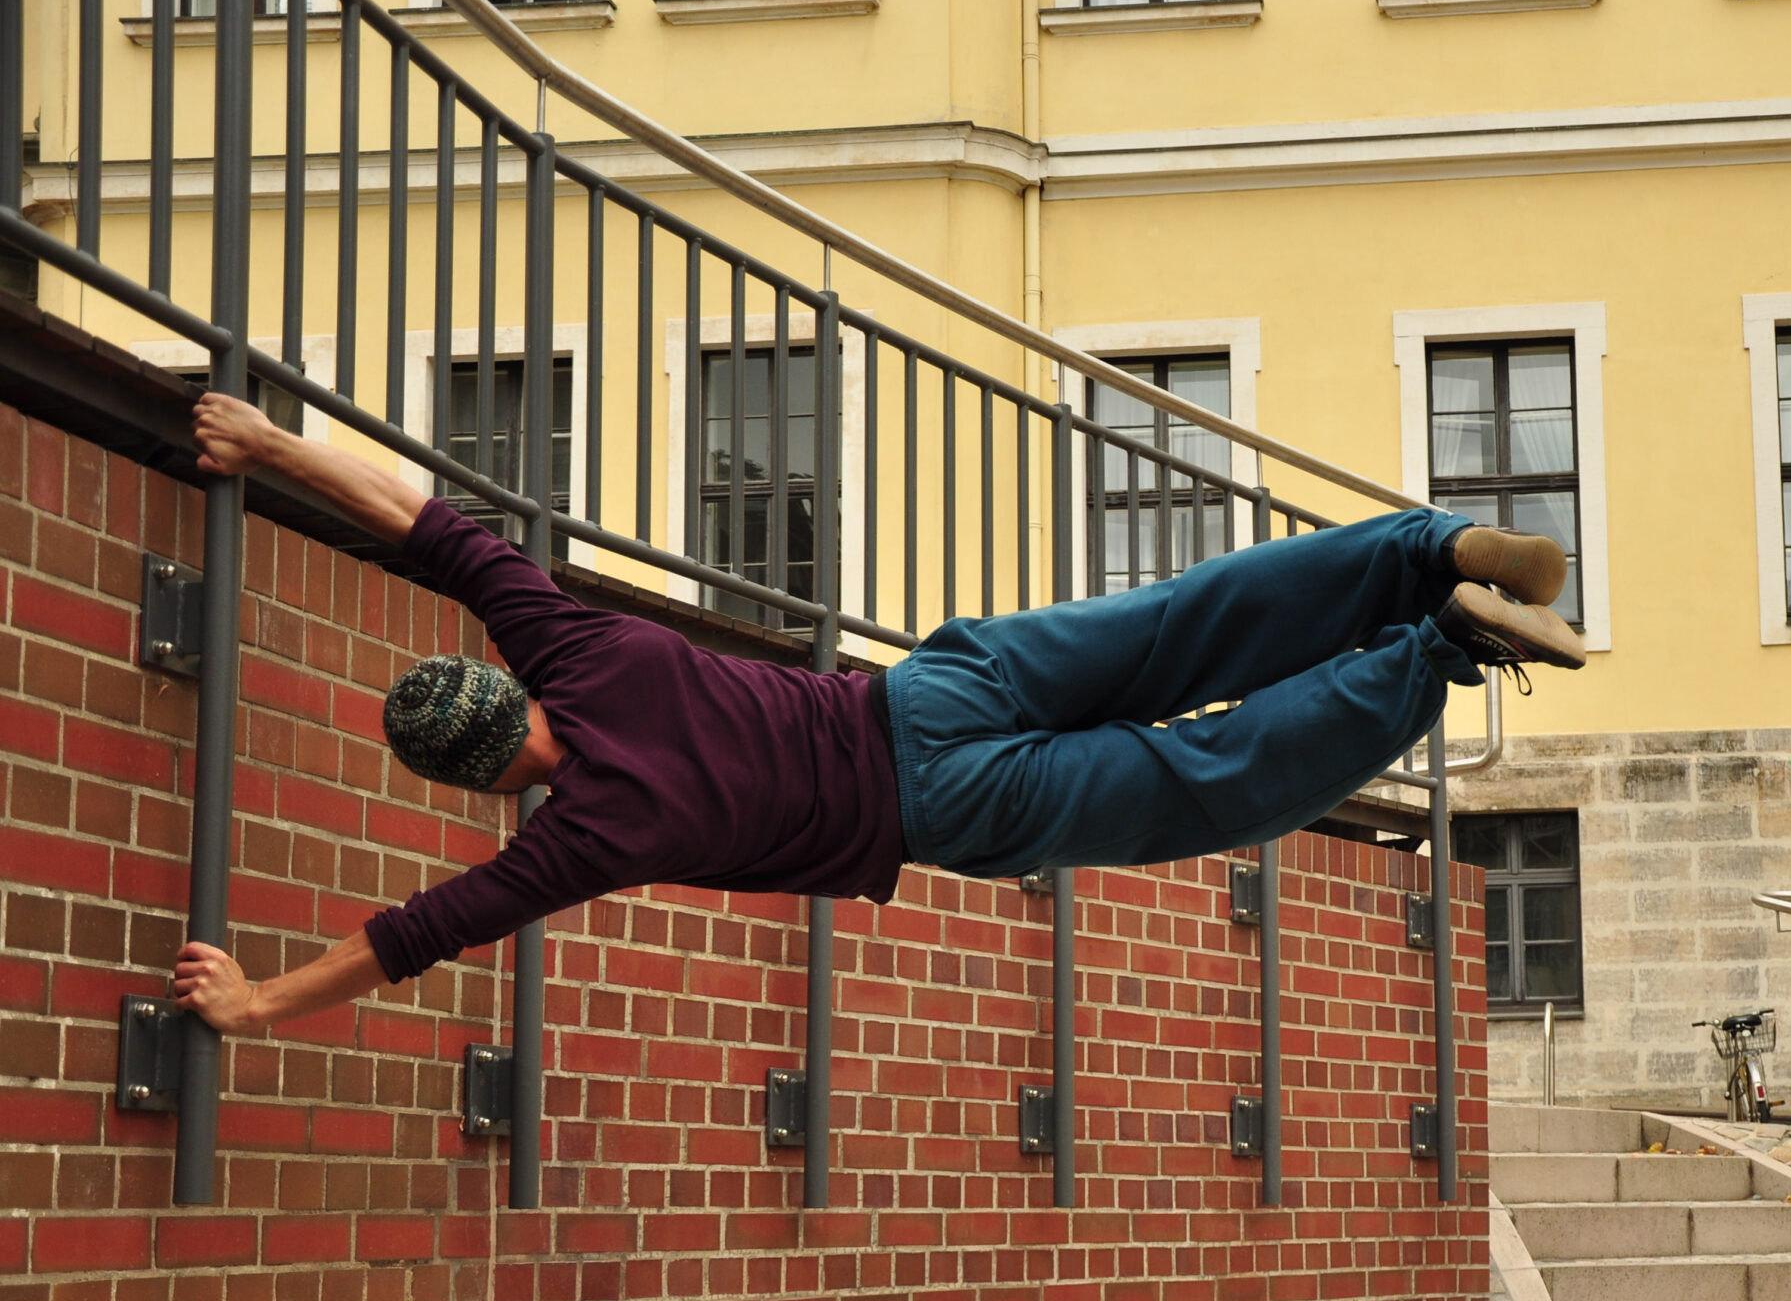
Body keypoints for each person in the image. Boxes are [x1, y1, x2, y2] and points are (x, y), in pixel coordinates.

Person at [170, 393, 1583, 1035]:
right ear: (507, 688)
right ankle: (1426, 553)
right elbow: (434, 525)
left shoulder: (583, 833)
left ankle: (1437, 650)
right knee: (1185, 622)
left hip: (942, 806)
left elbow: (401, 941)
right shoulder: (573, 645)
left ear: (489, 780)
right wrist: (267, 441)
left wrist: (250, 1002)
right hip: (936, 685)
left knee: (1204, 778)